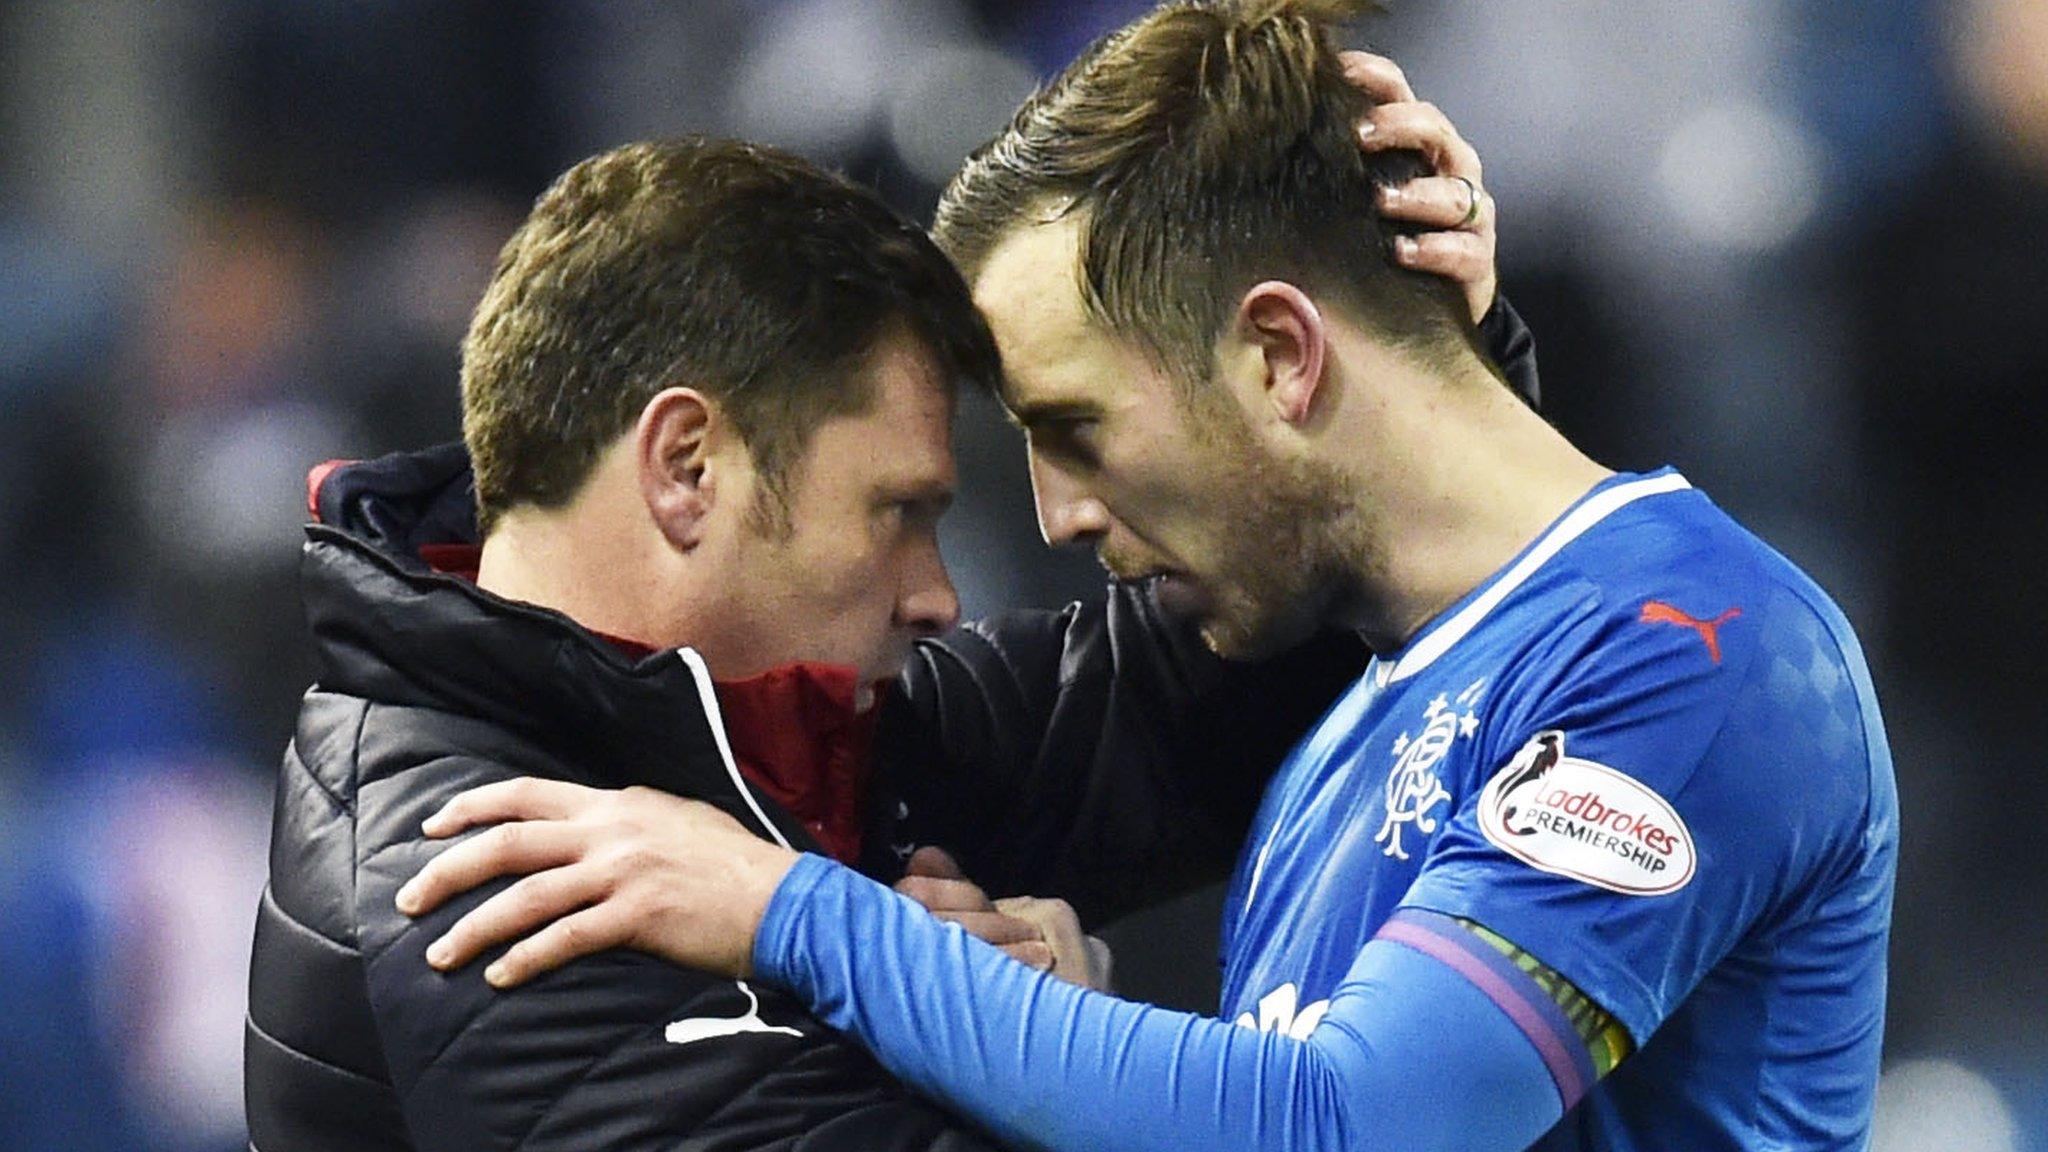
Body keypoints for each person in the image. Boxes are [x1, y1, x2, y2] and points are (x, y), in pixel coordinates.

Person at [398, 1, 1898, 1150]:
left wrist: (795, 915)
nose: (1056, 517)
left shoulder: (1702, 647)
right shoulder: (1360, 697)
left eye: (1076, 429)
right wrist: (1055, 1027)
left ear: (1277, 352)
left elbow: (1352, 1126)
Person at [249, 81, 1537, 1151]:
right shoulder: (473, 877)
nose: (941, 593)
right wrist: (1025, 1018)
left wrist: (1413, 364)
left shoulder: (815, 727)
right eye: (894, 512)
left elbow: (1251, 660)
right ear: (687, 467)